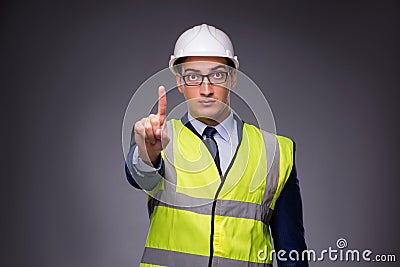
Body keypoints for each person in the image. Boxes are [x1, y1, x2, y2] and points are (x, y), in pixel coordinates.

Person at [125, 24, 308, 267]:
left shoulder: (275, 151)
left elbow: (291, 253)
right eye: (192, 76)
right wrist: (148, 155)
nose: (206, 89)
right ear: (179, 82)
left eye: (217, 75)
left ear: (232, 78)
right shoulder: (157, 139)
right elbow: (139, 176)